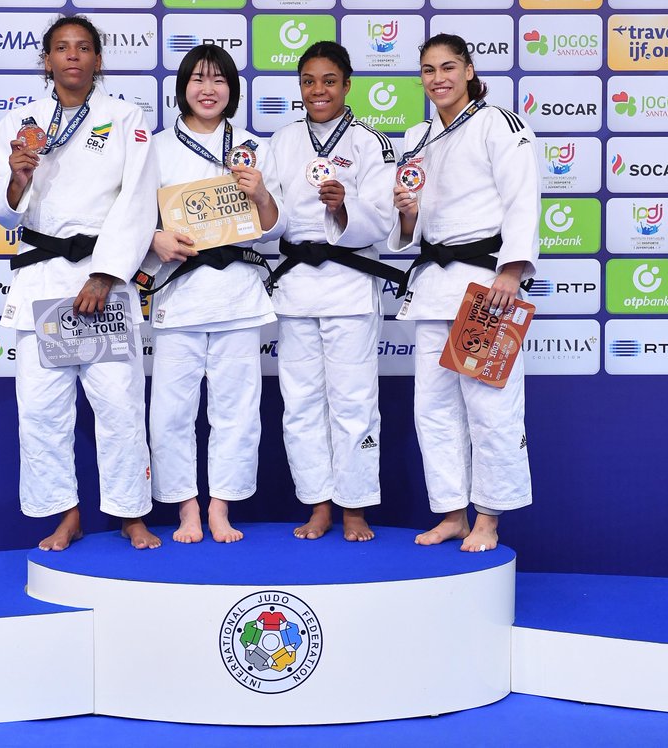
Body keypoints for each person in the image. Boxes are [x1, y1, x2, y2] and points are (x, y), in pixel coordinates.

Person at [0, 14, 161, 551]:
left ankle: (131, 514)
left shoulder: (126, 119)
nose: (73, 56)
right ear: (47, 61)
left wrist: (105, 274)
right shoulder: (19, 121)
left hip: (103, 275)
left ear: (99, 60)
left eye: (83, 48)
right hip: (43, 281)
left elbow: (138, 200)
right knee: (42, 409)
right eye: (62, 48)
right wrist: (17, 177)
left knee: (119, 404)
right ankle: (66, 514)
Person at [389, 34, 541, 553]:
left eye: (449, 67)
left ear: (470, 70)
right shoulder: (417, 136)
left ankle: (489, 519)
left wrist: (511, 270)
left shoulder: (499, 123)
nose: (439, 78)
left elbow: (523, 198)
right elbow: (413, 224)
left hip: (484, 288)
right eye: (428, 69)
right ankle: (452, 512)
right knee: (432, 407)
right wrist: (407, 211)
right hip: (434, 285)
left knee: (488, 407)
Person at [143, 45, 283, 544]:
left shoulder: (251, 145)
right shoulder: (156, 147)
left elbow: (271, 228)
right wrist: (153, 239)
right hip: (179, 292)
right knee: (171, 411)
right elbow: (135, 219)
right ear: (182, 86)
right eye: (199, 79)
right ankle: (186, 507)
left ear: (233, 89)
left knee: (237, 409)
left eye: (219, 80)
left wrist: (261, 193)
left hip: (238, 295)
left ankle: (221, 505)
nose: (208, 89)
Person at [266, 41, 400, 542]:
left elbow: (385, 220)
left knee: (354, 400)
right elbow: (269, 219)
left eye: (328, 80)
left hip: (348, 285)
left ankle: (356, 506)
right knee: (300, 401)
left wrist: (344, 207)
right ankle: (318, 503)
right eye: (308, 81)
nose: (317, 90)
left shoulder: (370, 143)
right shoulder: (281, 141)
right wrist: (258, 196)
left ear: (347, 85)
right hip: (297, 284)